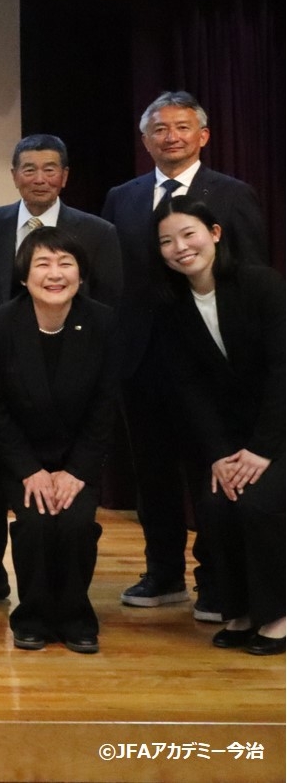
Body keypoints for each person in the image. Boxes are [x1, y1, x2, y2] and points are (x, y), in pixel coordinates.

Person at [102, 92, 269, 615]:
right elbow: (111, 278)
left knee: (210, 468)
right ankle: (163, 574)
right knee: (152, 473)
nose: (170, 136)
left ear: (203, 136)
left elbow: (250, 271)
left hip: (208, 362)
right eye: (159, 128)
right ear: (145, 139)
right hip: (140, 360)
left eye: (181, 126)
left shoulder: (233, 194)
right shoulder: (122, 197)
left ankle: (216, 580)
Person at [0, 133, 122, 609]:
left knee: (55, 496)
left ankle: (59, 588)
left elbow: (108, 301)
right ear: (14, 175)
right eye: (28, 169)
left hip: (67, 370)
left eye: (50, 168)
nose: (39, 178)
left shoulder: (96, 231)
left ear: (65, 176)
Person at [155, 200, 283, 655]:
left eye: (188, 234)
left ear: (214, 232)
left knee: (259, 505)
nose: (179, 247)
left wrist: (262, 449)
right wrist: (219, 455)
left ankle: (279, 614)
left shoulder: (262, 284)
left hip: (278, 431)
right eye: (166, 241)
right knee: (217, 503)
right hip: (233, 441)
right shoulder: (171, 307)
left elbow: (283, 372)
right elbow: (190, 390)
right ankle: (241, 610)